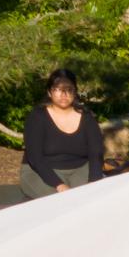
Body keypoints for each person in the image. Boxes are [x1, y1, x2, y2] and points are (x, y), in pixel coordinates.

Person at [21, 68, 104, 200]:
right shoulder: (37, 117)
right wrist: (59, 185)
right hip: (41, 172)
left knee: (87, 198)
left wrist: (94, 182)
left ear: (75, 92)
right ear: (49, 92)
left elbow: (96, 153)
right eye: (58, 89)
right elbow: (35, 157)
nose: (63, 94)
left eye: (68, 89)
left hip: (79, 169)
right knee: (59, 201)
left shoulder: (87, 117)